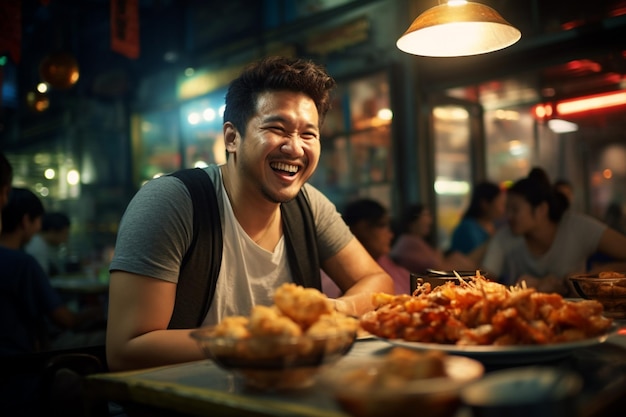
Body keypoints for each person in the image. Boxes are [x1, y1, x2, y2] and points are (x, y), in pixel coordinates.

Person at [106, 56, 394, 372]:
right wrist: (261, 339)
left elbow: (377, 280)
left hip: (281, 395)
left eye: (308, 134)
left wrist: (338, 310)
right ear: (232, 138)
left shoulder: (308, 205)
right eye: (277, 128)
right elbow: (127, 349)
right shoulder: (173, 202)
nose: (295, 148)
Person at [481, 168, 626, 295]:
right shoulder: (505, 236)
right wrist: (516, 289)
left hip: (579, 314)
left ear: (541, 210)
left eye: (515, 210)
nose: (508, 216)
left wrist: (589, 277)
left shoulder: (577, 226)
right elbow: (484, 284)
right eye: (507, 209)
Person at [0, 188, 105, 355]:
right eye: (39, 220)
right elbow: (66, 320)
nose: (40, 227)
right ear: (26, 221)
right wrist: (93, 313)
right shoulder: (24, 264)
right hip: (34, 357)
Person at [322, 198, 411, 296]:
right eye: (382, 225)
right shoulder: (332, 276)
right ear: (361, 228)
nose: (390, 234)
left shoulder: (388, 264)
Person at [390, 203, 478, 275]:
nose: (430, 219)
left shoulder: (415, 241)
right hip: (433, 279)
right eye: (425, 215)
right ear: (412, 221)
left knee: (457, 257)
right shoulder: (408, 242)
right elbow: (436, 267)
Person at [448, 181, 506, 255]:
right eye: (501, 204)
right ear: (484, 204)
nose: (504, 209)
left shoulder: (494, 225)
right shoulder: (467, 229)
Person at [25, 211, 71, 276]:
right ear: (52, 232)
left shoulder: (49, 245)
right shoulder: (37, 247)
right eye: (65, 234)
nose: (66, 238)